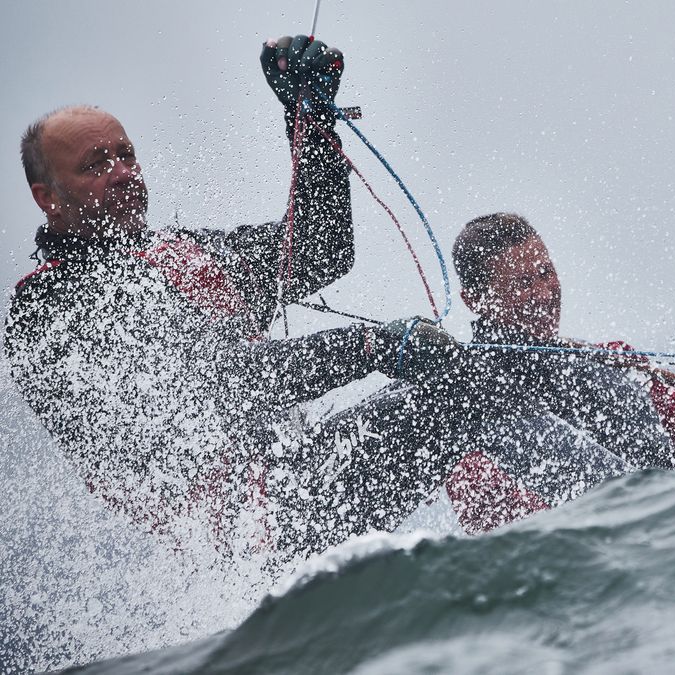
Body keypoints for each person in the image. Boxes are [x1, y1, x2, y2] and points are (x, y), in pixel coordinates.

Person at [4, 35, 485, 557]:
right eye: (95, 165)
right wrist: (372, 347)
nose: (123, 173)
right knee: (462, 387)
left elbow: (318, 251)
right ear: (46, 197)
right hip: (248, 533)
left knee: (471, 375)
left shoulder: (176, 253)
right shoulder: (48, 308)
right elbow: (226, 382)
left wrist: (309, 123)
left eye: (126, 155)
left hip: (296, 479)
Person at [443, 213, 675, 533]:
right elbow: (519, 539)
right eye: (523, 283)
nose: (544, 293)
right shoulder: (466, 416)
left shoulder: (613, 361)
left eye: (546, 273)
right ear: (475, 300)